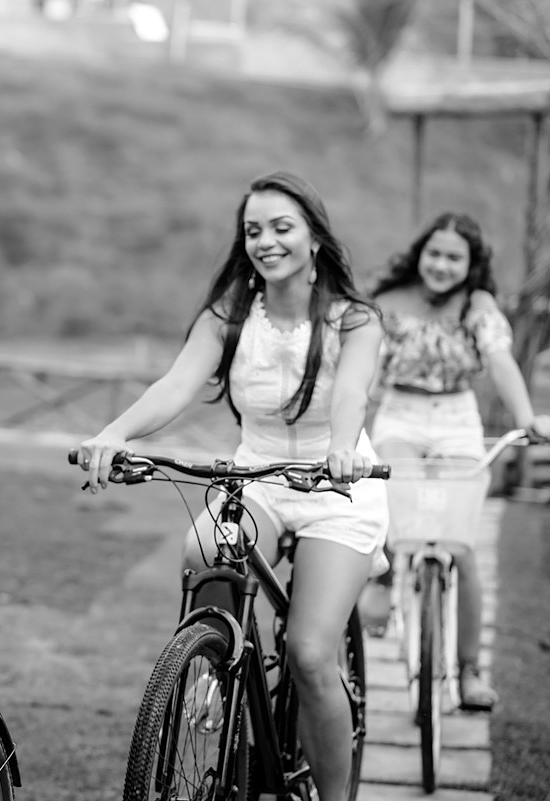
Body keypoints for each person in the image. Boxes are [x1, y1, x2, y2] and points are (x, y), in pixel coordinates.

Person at [75, 172, 388, 801]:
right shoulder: (231, 316)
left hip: (337, 485)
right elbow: (175, 385)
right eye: (253, 231)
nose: (266, 242)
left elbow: (351, 392)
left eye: (281, 228)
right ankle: (212, 665)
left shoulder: (354, 320)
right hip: (258, 475)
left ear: (314, 238)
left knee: (307, 652)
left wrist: (339, 447)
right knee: (202, 551)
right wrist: (114, 434)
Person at [357, 211, 550, 711]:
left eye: (454, 257)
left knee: (461, 543)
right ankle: (384, 571)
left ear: (470, 264)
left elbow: (500, 359)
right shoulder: (389, 301)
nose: (442, 265)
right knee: (390, 491)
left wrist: (527, 416)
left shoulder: (478, 304)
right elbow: (364, 367)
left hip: (457, 417)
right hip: (400, 413)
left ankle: (468, 671)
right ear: (420, 253)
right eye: (435, 253)